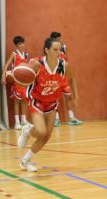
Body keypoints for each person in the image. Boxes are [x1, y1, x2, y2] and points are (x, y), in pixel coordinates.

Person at [17, 38, 75, 171]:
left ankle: (25, 161)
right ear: (46, 50)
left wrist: (72, 97)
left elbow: (70, 80)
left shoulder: (64, 65)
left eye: (60, 49)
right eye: (55, 50)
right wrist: (17, 78)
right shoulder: (37, 64)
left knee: (46, 136)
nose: (58, 52)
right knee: (41, 131)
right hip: (37, 101)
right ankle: (27, 130)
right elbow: (25, 81)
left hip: (52, 102)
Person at [50, 32, 82, 127]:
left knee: (68, 96)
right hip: (54, 74)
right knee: (54, 98)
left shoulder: (64, 46)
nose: (61, 40)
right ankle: (56, 119)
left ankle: (71, 118)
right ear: (53, 40)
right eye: (58, 39)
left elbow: (66, 58)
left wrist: (67, 68)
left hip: (63, 74)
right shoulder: (50, 48)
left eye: (61, 38)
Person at [1, 36, 31, 129]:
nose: (22, 45)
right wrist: (3, 75)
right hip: (16, 80)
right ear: (17, 45)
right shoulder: (14, 54)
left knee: (24, 100)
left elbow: (28, 67)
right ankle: (16, 122)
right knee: (17, 101)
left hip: (24, 81)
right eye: (20, 44)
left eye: (23, 43)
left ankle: (24, 120)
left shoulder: (26, 54)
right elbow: (7, 64)